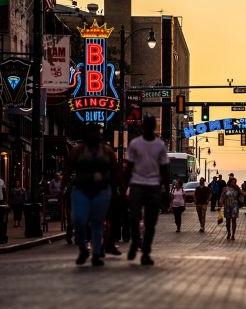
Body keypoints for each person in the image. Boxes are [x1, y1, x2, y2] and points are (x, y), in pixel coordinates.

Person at [62, 123, 117, 266]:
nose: (94, 135)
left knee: (97, 224)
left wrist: (119, 191)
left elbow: (116, 173)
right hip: (81, 190)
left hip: (102, 191)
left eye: (96, 132)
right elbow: (68, 170)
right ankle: (83, 249)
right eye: (91, 132)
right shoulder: (77, 151)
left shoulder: (107, 152)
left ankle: (96, 253)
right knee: (78, 221)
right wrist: (62, 188)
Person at [125, 113, 170, 266]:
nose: (149, 127)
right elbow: (129, 168)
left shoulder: (160, 145)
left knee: (151, 223)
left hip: (153, 186)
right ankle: (135, 242)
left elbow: (164, 170)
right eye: (147, 124)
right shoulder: (135, 144)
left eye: (151, 124)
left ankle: (145, 252)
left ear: (154, 127)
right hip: (137, 184)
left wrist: (166, 191)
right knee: (133, 217)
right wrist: (124, 187)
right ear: (143, 126)